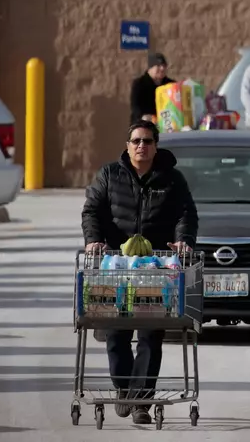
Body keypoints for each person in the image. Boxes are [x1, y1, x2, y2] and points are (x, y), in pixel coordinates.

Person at [81, 120, 198, 425]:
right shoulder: (109, 175)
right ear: (127, 145)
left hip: (155, 269)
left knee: (150, 334)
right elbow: (92, 210)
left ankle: (141, 403)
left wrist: (182, 242)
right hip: (115, 267)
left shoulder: (172, 179)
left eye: (147, 141)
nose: (141, 146)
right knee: (116, 334)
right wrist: (94, 240)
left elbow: (186, 214)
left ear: (156, 145)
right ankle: (124, 389)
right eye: (136, 141)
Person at [129, 52, 174, 124]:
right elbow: (135, 106)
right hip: (143, 126)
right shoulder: (139, 84)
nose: (162, 68)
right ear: (150, 67)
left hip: (166, 126)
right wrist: (143, 116)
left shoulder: (171, 85)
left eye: (164, 66)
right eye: (158, 65)